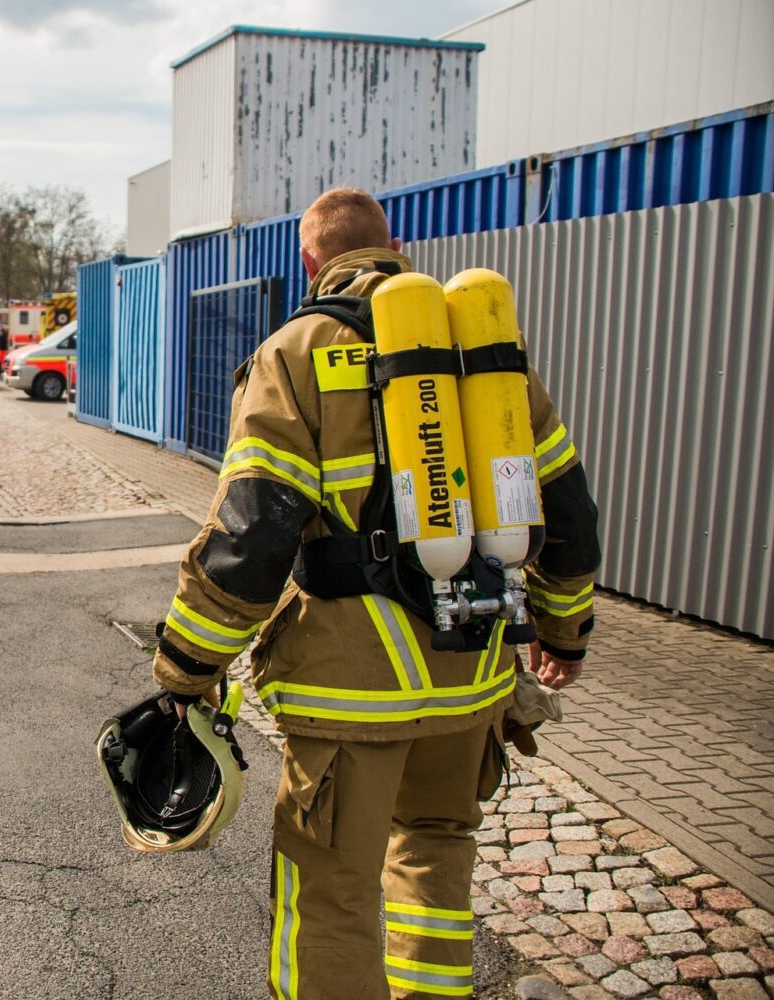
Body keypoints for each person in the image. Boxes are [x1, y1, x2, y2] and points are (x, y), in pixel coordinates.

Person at [150, 187, 599, 999]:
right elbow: (565, 508)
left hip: (351, 697)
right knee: (437, 862)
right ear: (394, 247)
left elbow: (253, 536)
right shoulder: (483, 351)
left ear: (309, 261)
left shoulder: (296, 352)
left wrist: (187, 667)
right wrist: (562, 632)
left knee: (331, 892)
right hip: (472, 679)